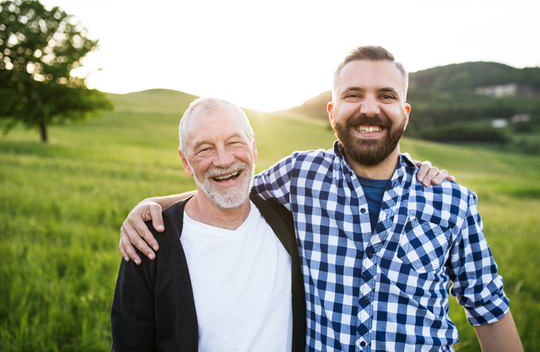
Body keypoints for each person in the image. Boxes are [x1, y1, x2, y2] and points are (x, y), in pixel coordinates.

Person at [119, 46, 523, 351]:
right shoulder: (301, 175)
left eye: (385, 96)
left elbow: (489, 311)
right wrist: (152, 203)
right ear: (333, 111)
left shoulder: (450, 201)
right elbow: (230, 186)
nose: (369, 109)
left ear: (405, 111)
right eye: (353, 95)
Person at [111, 97, 306, 351]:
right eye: (204, 149)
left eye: (234, 142)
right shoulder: (149, 243)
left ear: (253, 148)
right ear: (185, 162)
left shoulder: (290, 221)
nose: (223, 160)